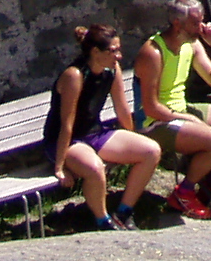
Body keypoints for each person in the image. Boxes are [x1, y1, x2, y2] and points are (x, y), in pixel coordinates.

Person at [135, 0, 211, 220]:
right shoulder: (153, 52)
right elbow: (151, 108)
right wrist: (189, 120)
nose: (201, 27)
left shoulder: (192, 44)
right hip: (157, 121)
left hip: (181, 110)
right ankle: (184, 192)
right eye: (195, 23)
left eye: (202, 20)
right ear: (177, 23)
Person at [46, 24, 160, 231]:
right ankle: (102, 221)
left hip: (94, 133)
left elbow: (122, 110)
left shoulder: (111, 71)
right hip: (66, 141)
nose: (119, 56)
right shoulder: (75, 76)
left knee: (151, 151)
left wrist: (132, 137)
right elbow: (66, 124)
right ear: (95, 52)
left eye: (119, 49)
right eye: (113, 51)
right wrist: (60, 167)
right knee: (96, 168)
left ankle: (124, 212)